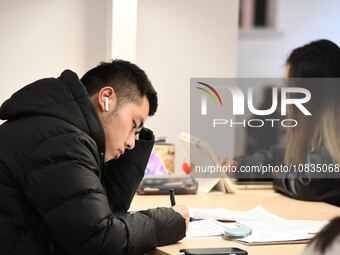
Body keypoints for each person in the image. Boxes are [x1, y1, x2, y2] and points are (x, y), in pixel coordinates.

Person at [0, 60, 189, 254]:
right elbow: (97, 241)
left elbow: (105, 213)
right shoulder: (61, 141)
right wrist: (168, 222)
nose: (132, 143)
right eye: (134, 125)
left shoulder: (57, 130)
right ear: (106, 98)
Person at [220, 39, 340, 206]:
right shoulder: (318, 139)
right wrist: (238, 165)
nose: (287, 98)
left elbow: (306, 181)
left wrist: (275, 171)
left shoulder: (333, 151)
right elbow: (278, 158)